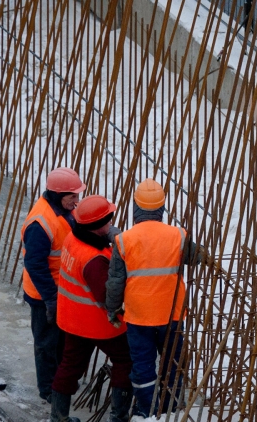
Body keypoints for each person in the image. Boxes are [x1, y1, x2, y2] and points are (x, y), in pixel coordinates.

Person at [106, 179, 203, 418]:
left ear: (136, 208)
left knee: (143, 366)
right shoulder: (177, 235)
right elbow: (197, 257)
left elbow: (116, 282)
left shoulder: (124, 240)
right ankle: (169, 410)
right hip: (172, 314)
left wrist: (112, 309)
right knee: (172, 364)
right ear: (161, 209)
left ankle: (148, 410)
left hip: (139, 316)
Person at [50, 195, 133, 422]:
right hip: (98, 325)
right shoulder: (94, 261)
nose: (111, 223)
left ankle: (58, 417)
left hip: (72, 319)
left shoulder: (73, 239)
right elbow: (108, 297)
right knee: (126, 359)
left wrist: (111, 238)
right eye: (108, 220)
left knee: (70, 365)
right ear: (98, 226)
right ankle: (119, 417)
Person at [21, 167, 85, 403]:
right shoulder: (40, 223)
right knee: (46, 343)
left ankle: (59, 382)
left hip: (62, 291)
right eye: (73, 196)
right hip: (44, 295)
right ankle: (48, 389)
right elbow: (35, 264)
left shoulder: (63, 210)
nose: (77, 201)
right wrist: (50, 298)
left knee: (61, 341)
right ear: (59, 195)